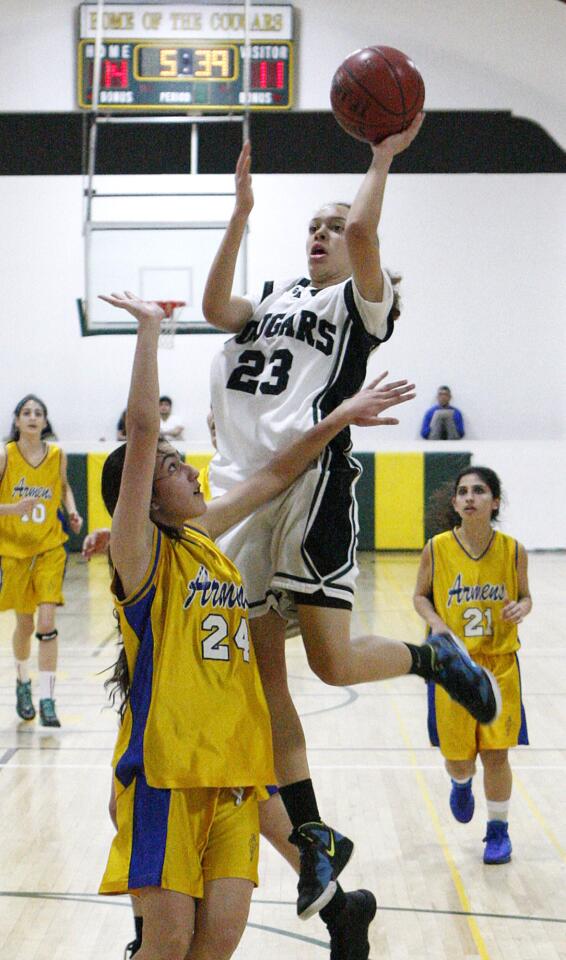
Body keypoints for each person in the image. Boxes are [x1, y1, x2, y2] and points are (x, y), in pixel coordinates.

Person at [201, 126, 500, 918]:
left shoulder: (362, 305)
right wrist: (239, 214)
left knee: (331, 666)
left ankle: (433, 662)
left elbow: (367, 230)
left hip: (308, 485)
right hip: (238, 500)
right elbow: (210, 305)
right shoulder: (268, 301)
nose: (322, 234)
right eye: (313, 226)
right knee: (271, 694)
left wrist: (382, 152)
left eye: (333, 226)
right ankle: (314, 841)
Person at [96, 291, 416, 960]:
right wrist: (151, 332)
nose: (188, 468)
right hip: (168, 772)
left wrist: (341, 416)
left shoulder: (206, 538)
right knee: (171, 937)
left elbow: (273, 473)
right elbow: (144, 433)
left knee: (220, 937)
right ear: (147, 500)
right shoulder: (143, 554)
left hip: (237, 772)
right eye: (174, 468)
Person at [413, 466, 532, 865]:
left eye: (479, 491)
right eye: (462, 491)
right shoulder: (437, 547)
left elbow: (527, 596)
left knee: (497, 754)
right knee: (459, 757)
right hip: (453, 667)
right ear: (454, 503)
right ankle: (460, 781)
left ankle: (498, 832)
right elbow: (420, 597)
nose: (469, 497)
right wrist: (438, 627)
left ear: (494, 502)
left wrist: (521, 607)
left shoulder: (514, 549)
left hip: (499, 663)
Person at [0, 394, 83, 727]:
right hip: (15, 550)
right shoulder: (6, 455)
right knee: (25, 625)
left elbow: (63, 489)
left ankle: (48, 698)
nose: (32, 417)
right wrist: (11, 510)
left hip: (50, 547)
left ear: (45, 422)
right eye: (26, 412)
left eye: (38, 413)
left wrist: (72, 511)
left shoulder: (57, 454)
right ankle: (23, 681)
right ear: (18, 421)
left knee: (47, 623)